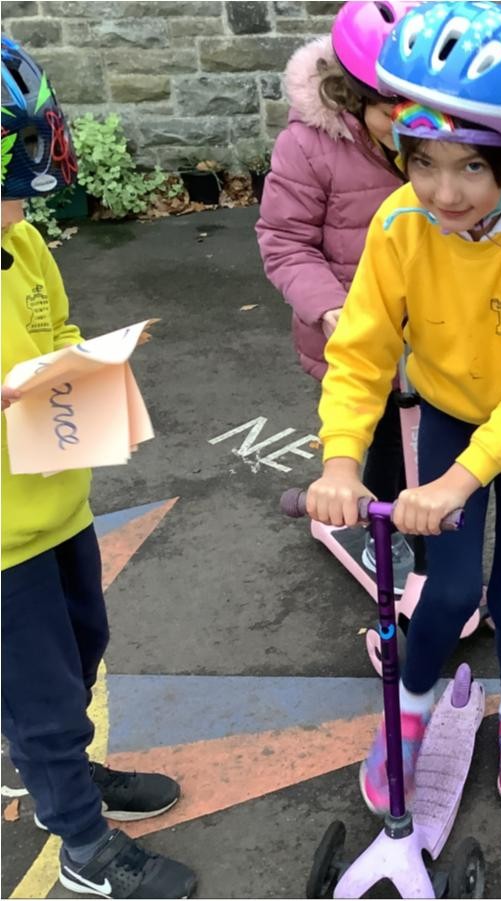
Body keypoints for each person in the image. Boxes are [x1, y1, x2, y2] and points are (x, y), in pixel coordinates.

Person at [305, 1, 501, 807]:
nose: (442, 189)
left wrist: (457, 483)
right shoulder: (399, 223)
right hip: (453, 412)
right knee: (448, 590)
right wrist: (341, 461)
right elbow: (359, 353)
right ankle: (411, 708)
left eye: (469, 166)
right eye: (422, 160)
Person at [1, 37, 197, 899]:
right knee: (42, 689)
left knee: (83, 649)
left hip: (57, 503)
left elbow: (54, 336)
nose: (17, 199)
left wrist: (90, 361)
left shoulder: (26, 247)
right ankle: (81, 842)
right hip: (3, 541)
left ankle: (60, 774)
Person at [256, 0, 417, 580]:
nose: (408, 123)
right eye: (391, 108)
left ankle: (411, 523)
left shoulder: (428, 139)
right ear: (352, 95)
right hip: (354, 330)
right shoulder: (306, 147)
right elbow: (284, 240)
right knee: (379, 438)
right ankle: (378, 531)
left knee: (428, 439)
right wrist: (329, 308)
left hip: (429, 333)